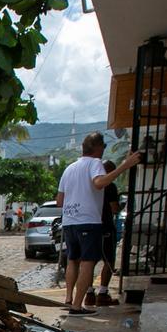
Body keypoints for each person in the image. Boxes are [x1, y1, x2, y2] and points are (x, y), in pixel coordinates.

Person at [55, 133, 140, 314]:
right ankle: (77, 306)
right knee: (88, 262)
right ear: (98, 147)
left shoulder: (69, 168)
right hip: (88, 220)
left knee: (72, 260)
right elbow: (99, 182)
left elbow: (59, 201)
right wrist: (125, 165)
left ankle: (69, 299)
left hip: (69, 220)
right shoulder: (95, 164)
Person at [90, 160, 122, 307]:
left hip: (89, 226)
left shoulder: (89, 185)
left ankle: (89, 293)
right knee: (108, 261)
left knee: (88, 261)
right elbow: (114, 208)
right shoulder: (108, 186)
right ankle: (102, 293)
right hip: (105, 227)